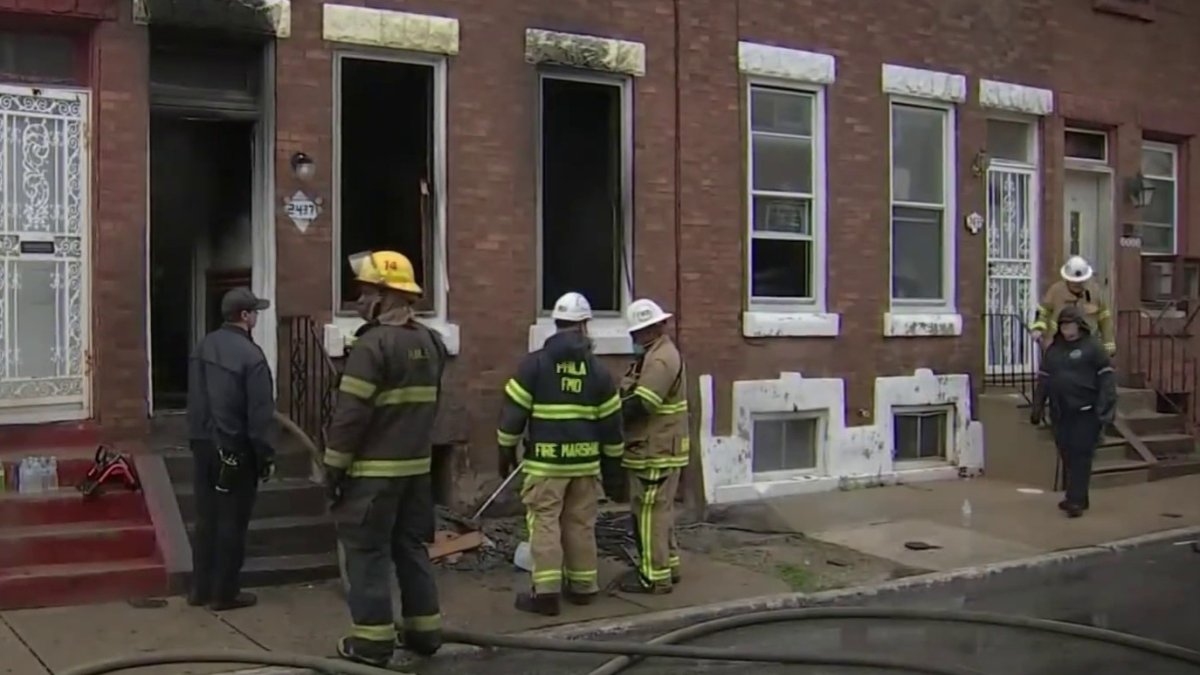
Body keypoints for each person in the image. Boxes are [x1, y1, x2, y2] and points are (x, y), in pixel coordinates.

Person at [323, 250, 448, 666]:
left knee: (367, 553)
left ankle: (373, 643)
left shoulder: (372, 345)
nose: (359, 301)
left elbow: (350, 417)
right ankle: (425, 631)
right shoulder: (430, 343)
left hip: (372, 477)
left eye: (365, 292)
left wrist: (333, 468)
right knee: (410, 547)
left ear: (385, 295)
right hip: (417, 472)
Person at [496, 292, 624, 616]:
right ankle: (583, 587)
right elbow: (612, 427)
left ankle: (547, 594)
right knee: (580, 524)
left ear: (557, 324)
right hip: (585, 464)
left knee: (545, 524)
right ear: (584, 325)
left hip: (546, 465)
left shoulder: (535, 364)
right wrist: (614, 472)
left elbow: (513, 415)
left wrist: (505, 449)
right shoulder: (598, 371)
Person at [186, 287, 276, 611]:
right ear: (245, 316)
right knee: (232, 522)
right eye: (254, 312)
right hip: (235, 448)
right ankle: (224, 593)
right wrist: (264, 455)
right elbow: (260, 414)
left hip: (203, 445)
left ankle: (200, 589)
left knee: (206, 518)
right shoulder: (252, 357)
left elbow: (195, 397)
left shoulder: (203, 346)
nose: (256, 317)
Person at [616, 298, 689, 594]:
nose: (634, 339)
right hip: (658, 447)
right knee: (660, 511)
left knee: (648, 513)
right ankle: (668, 565)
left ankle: (653, 577)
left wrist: (608, 415)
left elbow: (644, 403)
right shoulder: (653, 355)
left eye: (637, 333)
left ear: (651, 329)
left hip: (655, 450)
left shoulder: (660, 360)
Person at [1030, 305, 1116, 518]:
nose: (1067, 329)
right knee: (1067, 453)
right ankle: (1077, 496)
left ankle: (1075, 501)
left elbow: (1106, 379)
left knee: (1081, 454)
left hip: (1085, 410)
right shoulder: (1054, 350)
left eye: (1070, 324)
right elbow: (1044, 379)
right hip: (1061, 411)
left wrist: (1105, 408)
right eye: (1063, 325)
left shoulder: (1092, 348)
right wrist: (1038, 406)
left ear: (1079, 325)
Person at [1030, 255, 1116, 355]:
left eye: (1080, 282)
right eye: (1074, 282)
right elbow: (1043, 312)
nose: (1077, 285)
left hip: (1087, 346)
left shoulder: (1095, 292)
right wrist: (1038, 329)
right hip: (1058, 345)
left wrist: (1109, 343)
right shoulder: (1055, 291)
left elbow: (1105, 318)